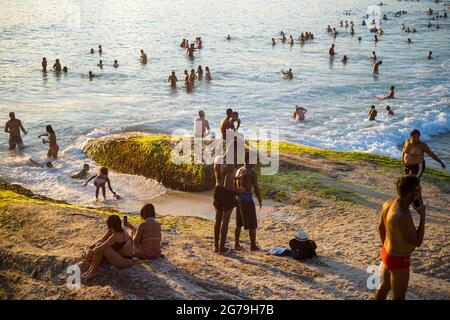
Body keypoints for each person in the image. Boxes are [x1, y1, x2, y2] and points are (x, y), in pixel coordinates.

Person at [375, 176, 426, 300]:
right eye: (418, 191)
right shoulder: (403, 215)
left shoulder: (389, 202)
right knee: (399, 297)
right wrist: (423, 216)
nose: (420, 193)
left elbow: (381, 228)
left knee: (384, 287)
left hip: (387, 254)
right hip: (399, 260)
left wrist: (386, 247)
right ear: (409, 194)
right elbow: (418, 242)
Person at [213, 142, 244, 254]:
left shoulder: (217, 159)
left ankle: (216, 246)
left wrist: (235, 178)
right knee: (225, 222)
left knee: (217, 220)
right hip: (226, 194)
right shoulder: (231, 165)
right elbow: (228, 186)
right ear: (234, 151)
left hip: (217, 191)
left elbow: (222, 179)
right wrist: (239, 190)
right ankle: (222, 248)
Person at [82, 215, 134, 280]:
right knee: (99, 243)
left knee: (100, 247)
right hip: (118, 255)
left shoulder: (117, 235)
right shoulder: (112, 230)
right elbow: (101, 239)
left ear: (110, 225)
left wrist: (89, 252)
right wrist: (90, 247)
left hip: (124, 260)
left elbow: (101, 247)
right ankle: (91, 269)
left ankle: (93, 271)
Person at [234, 150, 263, 251]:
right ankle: (253, 245)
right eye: (254, 160)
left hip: (239, 200)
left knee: (238, 224)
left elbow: (235, 185)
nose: (256, 162)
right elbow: (256, 188)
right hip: (247, 200)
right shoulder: (251, 173)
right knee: (252, 225)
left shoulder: (239, 170)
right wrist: (260, 200)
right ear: (248, 160)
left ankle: (236, 244)